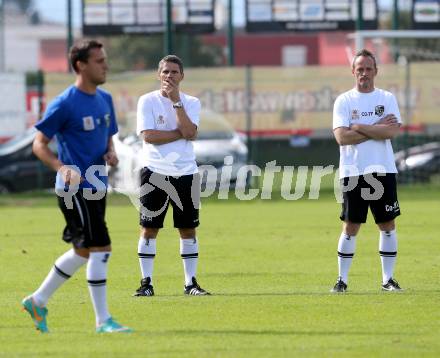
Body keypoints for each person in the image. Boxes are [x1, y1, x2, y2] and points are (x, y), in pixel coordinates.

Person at [22, 40, 132, 333]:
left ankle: (37, 300)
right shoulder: (65, 103)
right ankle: (103, 321)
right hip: (74, 189)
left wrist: (111, 152)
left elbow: (108, 136)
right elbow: (39, 144)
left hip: (97, 184)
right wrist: (62, 167)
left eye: (105, 59)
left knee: (83, 251)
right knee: (101, 248)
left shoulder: (105, 98)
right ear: (81, 65)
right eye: (99, 61)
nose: (105, 65)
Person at [134, 55, 210, 297]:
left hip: (186, 173)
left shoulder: (191, 102)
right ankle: (146, 284)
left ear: (182, 76)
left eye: (174, 72)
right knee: (149, 229)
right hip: (154, 172)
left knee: (188, 230)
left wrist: (176, 102)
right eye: (165, 72)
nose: (169, 76)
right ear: (159, 74)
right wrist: (181, 133)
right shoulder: (147, 101)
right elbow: (149, 136)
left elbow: (191, 132)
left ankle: (190, 284)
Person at [331, 49, 402, 293]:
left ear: (376, 71)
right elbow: (342, 137)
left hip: (383, 170)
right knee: (350, 226)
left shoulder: (387, 98)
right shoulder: (344, 101)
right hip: (353, 172)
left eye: (368, 68)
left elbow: (391, 132)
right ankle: (342, 281)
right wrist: (375, 127)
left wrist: (359, 126)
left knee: (387, 224)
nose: (364, 73)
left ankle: (388, 280)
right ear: (353, 71)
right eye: (359, 69)